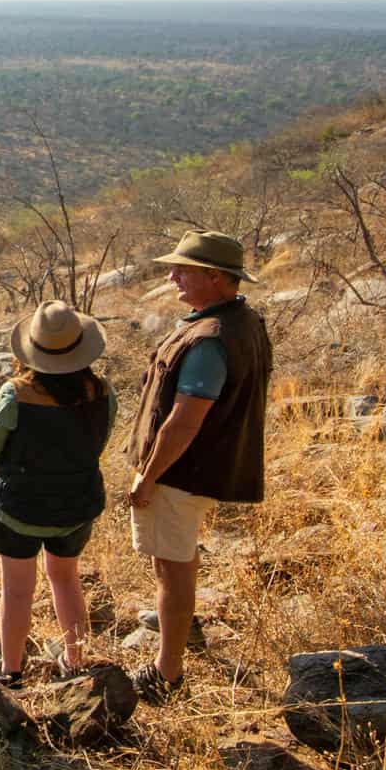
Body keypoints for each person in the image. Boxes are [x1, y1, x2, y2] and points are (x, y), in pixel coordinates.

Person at [127, 230, 272, 703]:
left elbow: (184, 422)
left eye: (182, 270)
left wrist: (147, 476)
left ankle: (167, 672)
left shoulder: (210, 338)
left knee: (171, 567)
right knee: (176, 557)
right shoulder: (238, 320)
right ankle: (185, 632)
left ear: (215, 277)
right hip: (198, 469)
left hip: (180, 472)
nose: (172, 277)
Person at [0, 300, 114, 688]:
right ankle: (75, 661)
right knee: (66, 579)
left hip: (20, 506)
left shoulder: (15, 394)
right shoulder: (101, 390)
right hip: (77, 504)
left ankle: (12, 671)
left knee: (17, 591)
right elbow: (99, 441)